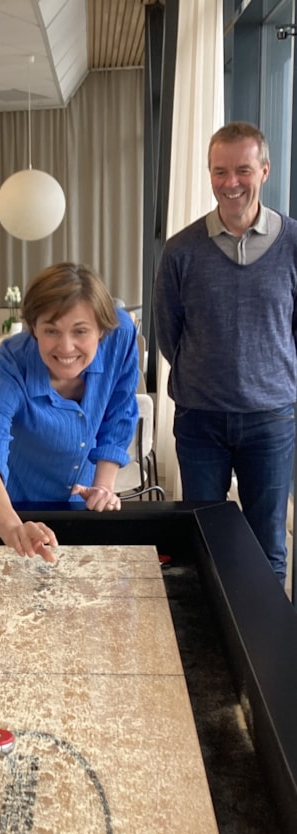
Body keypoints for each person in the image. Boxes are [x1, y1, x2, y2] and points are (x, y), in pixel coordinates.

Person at [154, 121, 297, 584]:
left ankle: (269, 653)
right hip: (200, 419)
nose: (230, 183)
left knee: (268, 545)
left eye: (242, 170)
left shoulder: (294, 245)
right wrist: (207, 375)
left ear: (265, 170)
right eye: (220, 171)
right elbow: (167, 333)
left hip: (271, 419)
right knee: (202, 538)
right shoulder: (180, 251)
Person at [0, 262, 139, 560]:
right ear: (34, 328)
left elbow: (119, 413)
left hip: (77, 501)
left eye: (80, 331)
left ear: (102, 330)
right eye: (51, 331)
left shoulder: (120, 335)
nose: (66, 347)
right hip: (12, 506)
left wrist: (103, 487)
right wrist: (13, 529)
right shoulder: (9, 365)